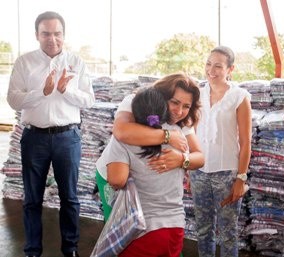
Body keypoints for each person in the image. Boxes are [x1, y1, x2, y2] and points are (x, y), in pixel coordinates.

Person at [7, 11, 95, 257]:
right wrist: (41, 91)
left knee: (70, 197)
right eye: (46, 33)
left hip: (68, 138)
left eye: (57, 33)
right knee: (32, 198)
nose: (52, 39)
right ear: (37, 35)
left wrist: (65, 91)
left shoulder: (76, 63)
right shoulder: (25, 63)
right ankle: (32, 250)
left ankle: (71, 249)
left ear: (63, 35)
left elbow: (89, 99)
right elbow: (13, 100)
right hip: (34, 138)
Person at [96, 75, 204, 257]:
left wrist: (182, 159)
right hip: (114, 171)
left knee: (132, 233)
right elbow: (121, 131)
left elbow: (199, 157)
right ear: (161, 97)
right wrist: (167, 136)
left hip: (153, 208)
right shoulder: (136, 101)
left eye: (186, 106)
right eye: (175, 102)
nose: (179, 111)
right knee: (123, 225)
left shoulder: (181, 123)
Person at [190, 46, 252, 257]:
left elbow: (246, 142)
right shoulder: (197, 94)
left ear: (230, 69)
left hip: (227, 174)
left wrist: (241, 179)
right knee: (203, 230)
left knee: (228, 232)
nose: (211, 70)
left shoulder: (239, 96)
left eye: (218, 66)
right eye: (208, 64)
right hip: (199, 172)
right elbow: (190, 131)